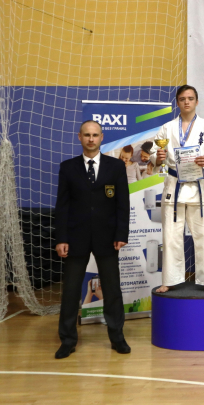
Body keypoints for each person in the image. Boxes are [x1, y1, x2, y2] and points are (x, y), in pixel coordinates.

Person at [54, 120, 130, 359]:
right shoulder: (67, 167)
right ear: (79, 137)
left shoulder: (116, 167)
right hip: (75, 237)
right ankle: (67, 340)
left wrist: (121, 234)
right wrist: (61, 238)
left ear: (101, 137)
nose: (91, 139)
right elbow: (62, 206)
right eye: (86, 135)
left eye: (95, 135)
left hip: (108, 238)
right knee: (71, 290)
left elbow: (123, 203)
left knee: (112, 289)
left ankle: (117, 338)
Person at [151, 85, 204, 293]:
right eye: (182, 99)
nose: (187, 102)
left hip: (199, 186)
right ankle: (170, 279)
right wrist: (158, 157)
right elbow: (154, 154)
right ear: (178, 102)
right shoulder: (167, 128)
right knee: (171, 235)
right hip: (174, 185)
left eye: (190, 98)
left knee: (203, 235)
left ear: (197, 101)